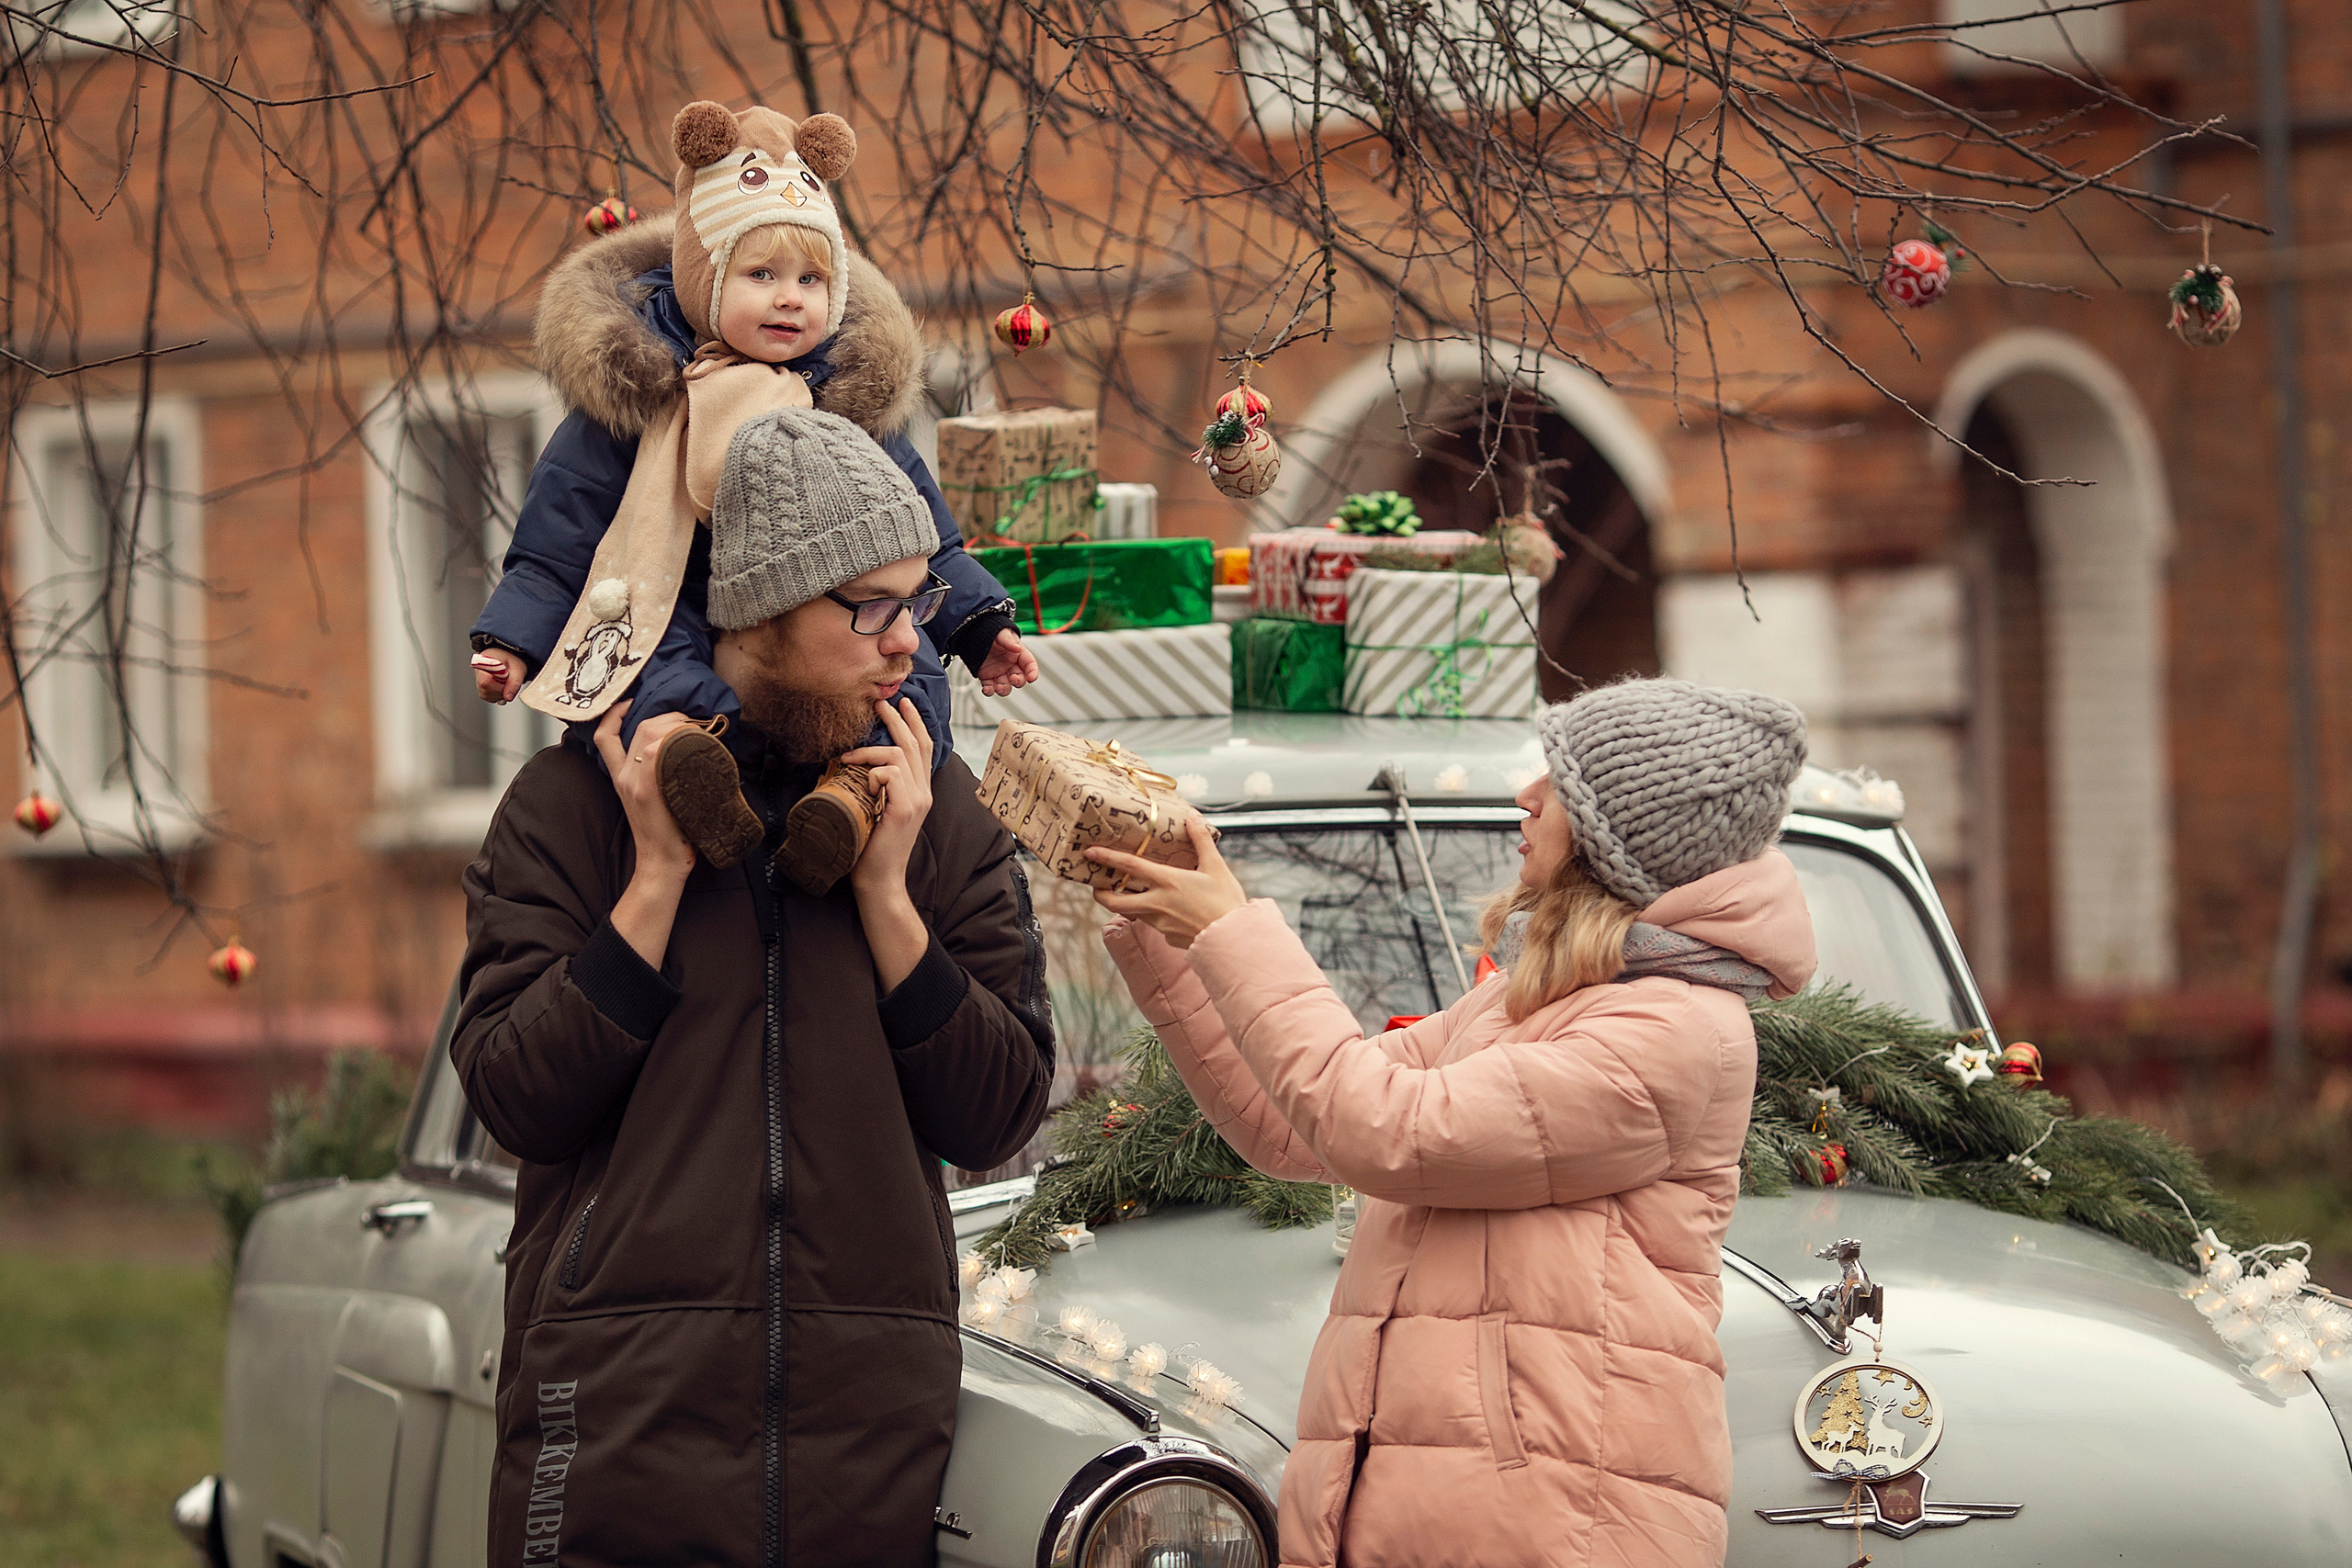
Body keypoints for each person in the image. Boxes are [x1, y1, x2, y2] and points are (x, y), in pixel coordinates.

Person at [453, 406, 1055, 1568]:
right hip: (617, 1413)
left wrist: (887, 902)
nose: (907, 643)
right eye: (870, 607)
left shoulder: (937, 813)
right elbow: (518, 1098)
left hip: (870, 1427)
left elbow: (997, 1113)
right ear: (764, 605)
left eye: (922, 604)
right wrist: (658, 882)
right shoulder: (572, 809)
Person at [1090, 678, 1816, 1568]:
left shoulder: (1673, 1033)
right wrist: (1166, 927)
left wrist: (1235, 928)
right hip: (1444, 1512)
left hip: (1556, 1526)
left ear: (1613, 842)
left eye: (1557, 782)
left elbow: (1385, 1129)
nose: (1526, 796)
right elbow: (1293, 1124)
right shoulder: (1528, 1001)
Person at [468, 98, 1038, 890]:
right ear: (704, 280)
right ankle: (696, 783)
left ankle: (855, 799)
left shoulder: (845, 399)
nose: (788, 298)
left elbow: (921, 531)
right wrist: (512, 637)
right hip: (678, 600)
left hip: (833, 624)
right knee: (651, 673)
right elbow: (560, 537)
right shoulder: (643, 402)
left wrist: (977, 622)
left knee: (910, 677)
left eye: (811, 279)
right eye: (760, 274)